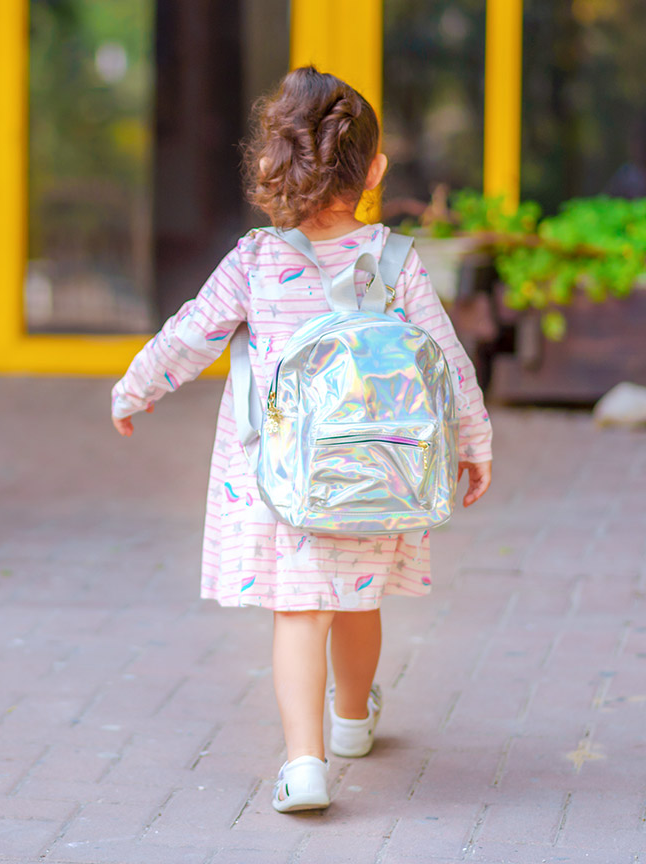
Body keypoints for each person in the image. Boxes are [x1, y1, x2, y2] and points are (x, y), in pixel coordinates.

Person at [109, 67, 493, 813]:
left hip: (285, 486)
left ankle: (304, 765)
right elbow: (448, 365)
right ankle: (352, 723)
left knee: (300, 613)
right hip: (377, 475)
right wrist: (474, 445)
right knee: (356, 601)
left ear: (271, 166)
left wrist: (135, 387)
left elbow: (190, 336)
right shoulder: (395, 262)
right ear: (375, 171)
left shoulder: (255, 261)